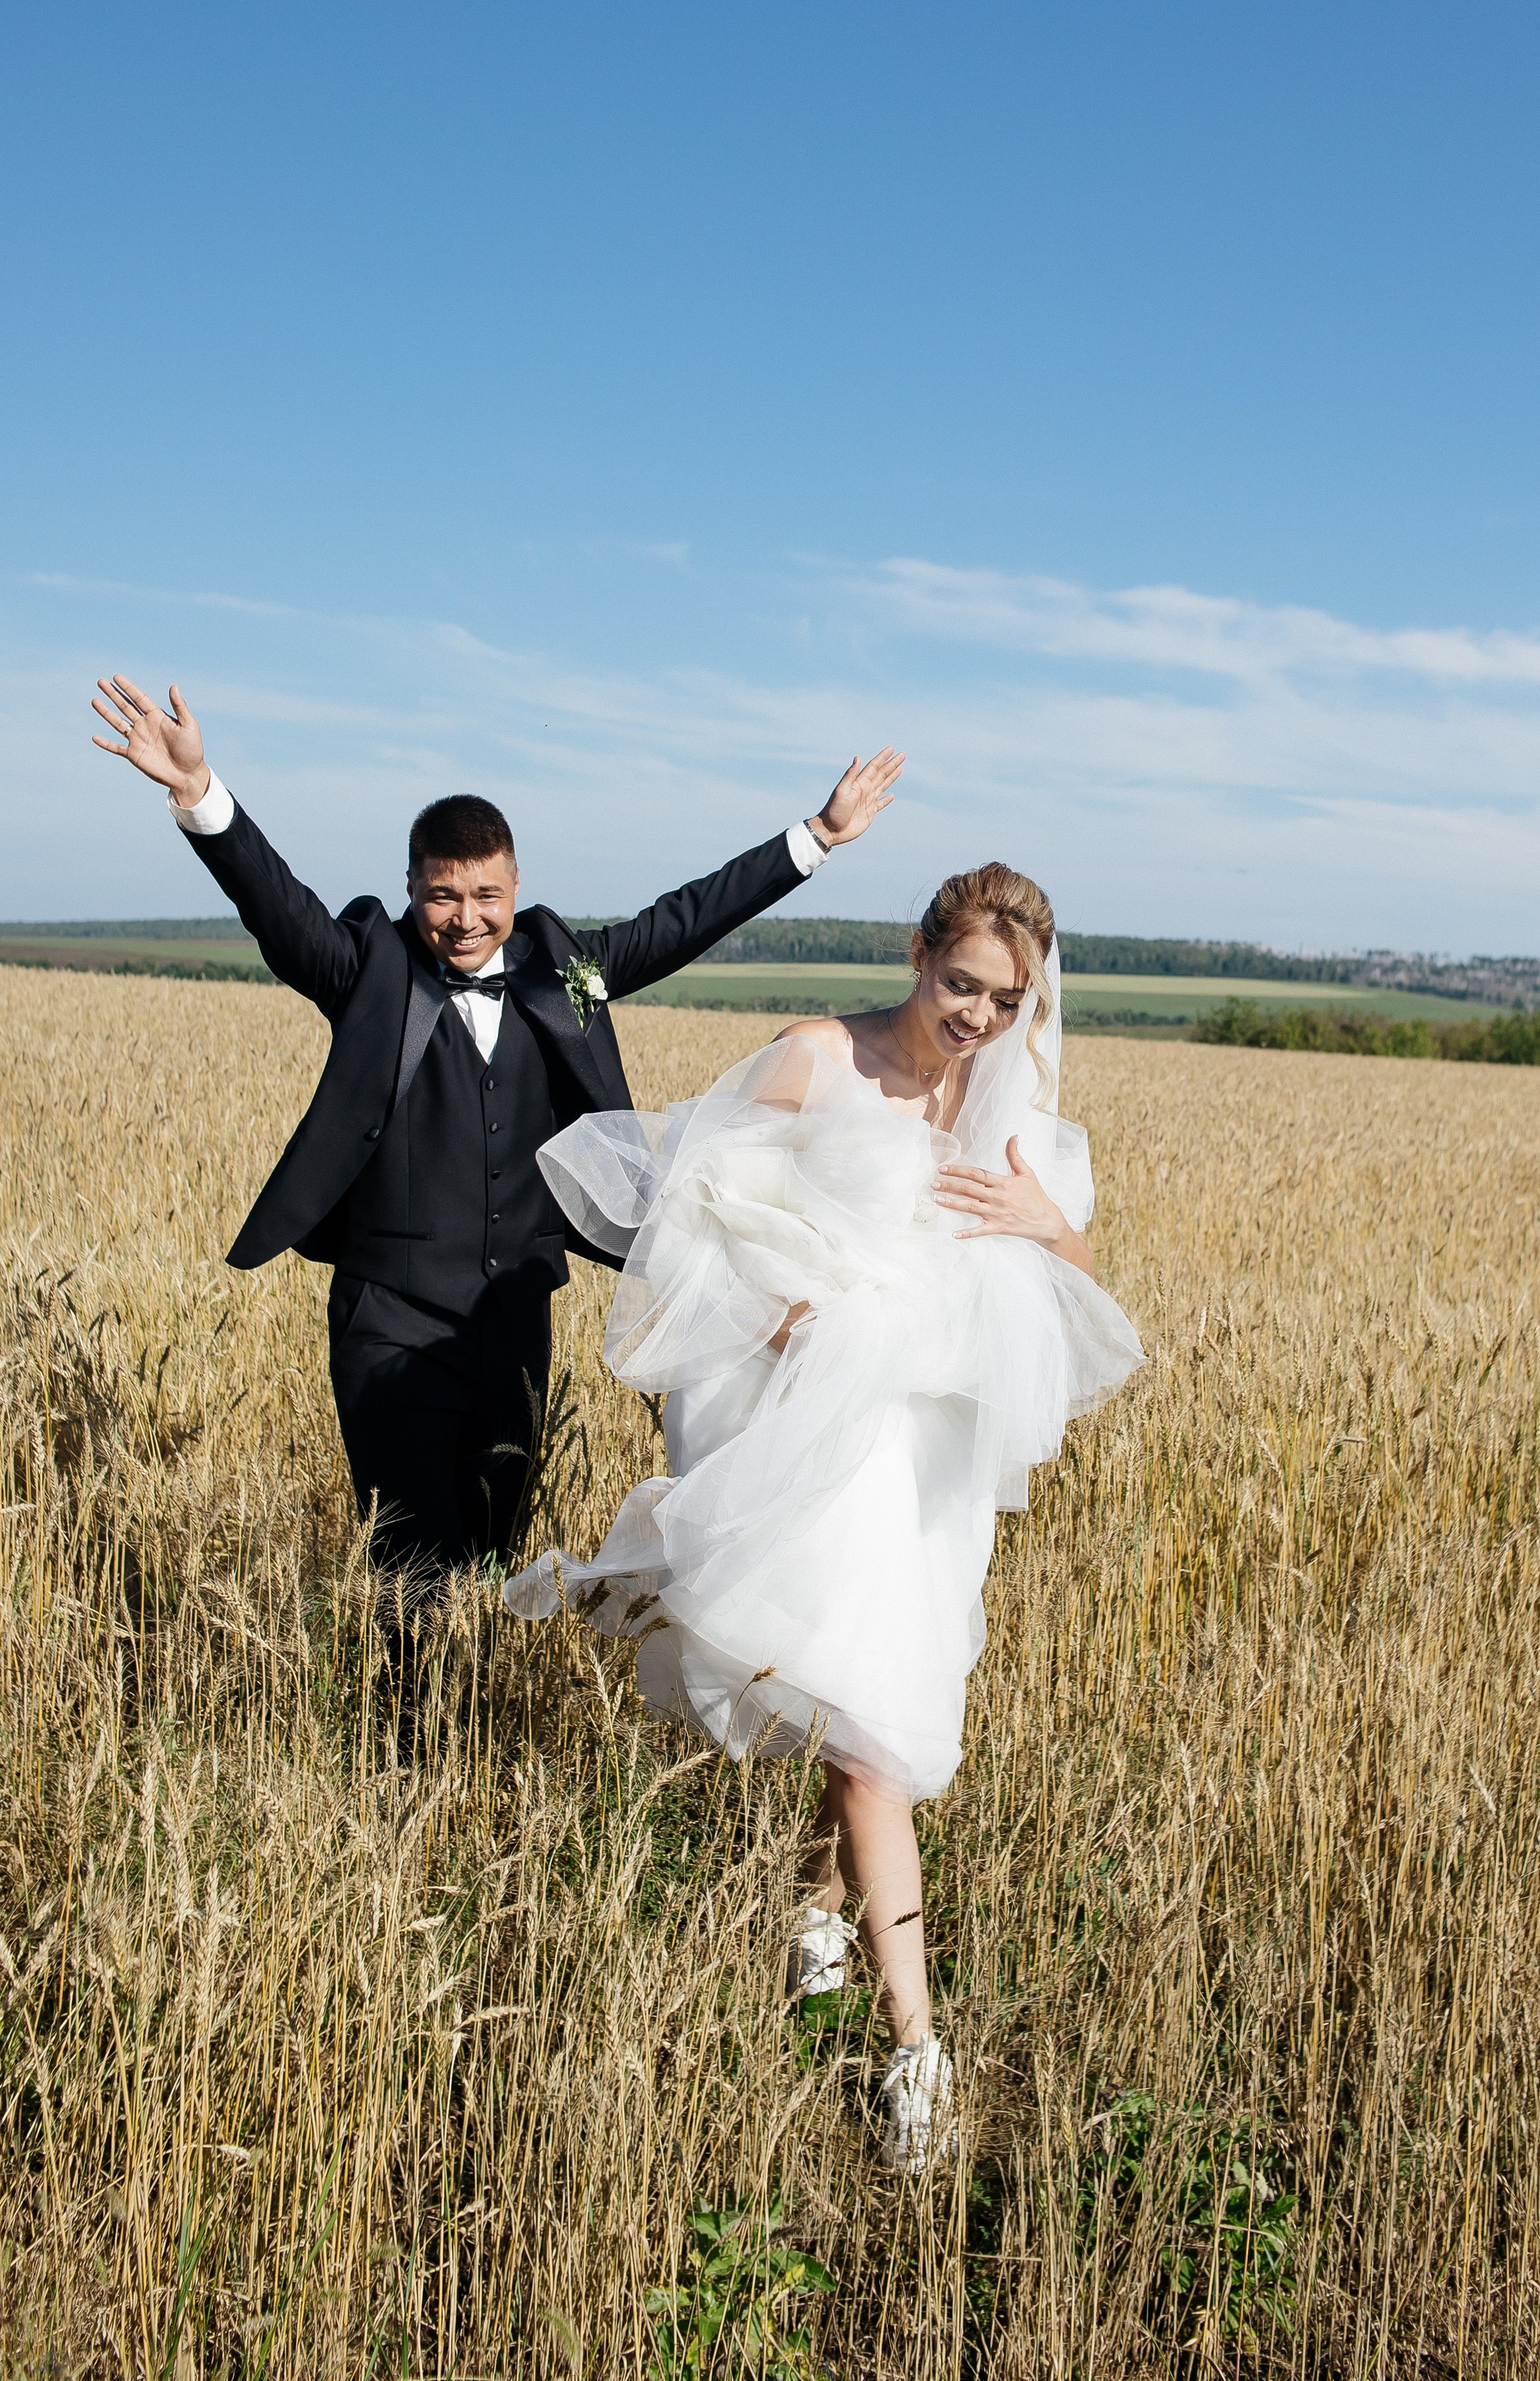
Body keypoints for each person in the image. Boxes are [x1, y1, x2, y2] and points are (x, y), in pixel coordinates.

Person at [503, 860, 1144, 2172]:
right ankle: (918, 2053)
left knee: (867, 1712)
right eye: (960, 982)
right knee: (871, 1747)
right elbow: (685, 1207)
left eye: (1004, 998)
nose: (975, 1015)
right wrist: (771, 1305)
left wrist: (1046, 1225)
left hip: (923, 1462)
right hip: (817, 1439)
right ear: (918, 951)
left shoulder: (1007, 1106)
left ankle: (814, 1922)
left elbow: (1076, 1305)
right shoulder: (818, 1058)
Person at [90, 668, 903, 1574]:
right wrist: (201, 795)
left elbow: (683, 922)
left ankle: (454, 1710)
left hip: (516, 1315)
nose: (465, 919)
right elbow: (277, 910)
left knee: (489, 1551)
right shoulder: (369, 972)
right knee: (411, 1562)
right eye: (443, 896)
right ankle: (407, 1719)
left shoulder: (568, 977)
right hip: (389, 1316)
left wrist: (819, 836)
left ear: (515, 890)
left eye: (487, 897)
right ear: (411, 890)